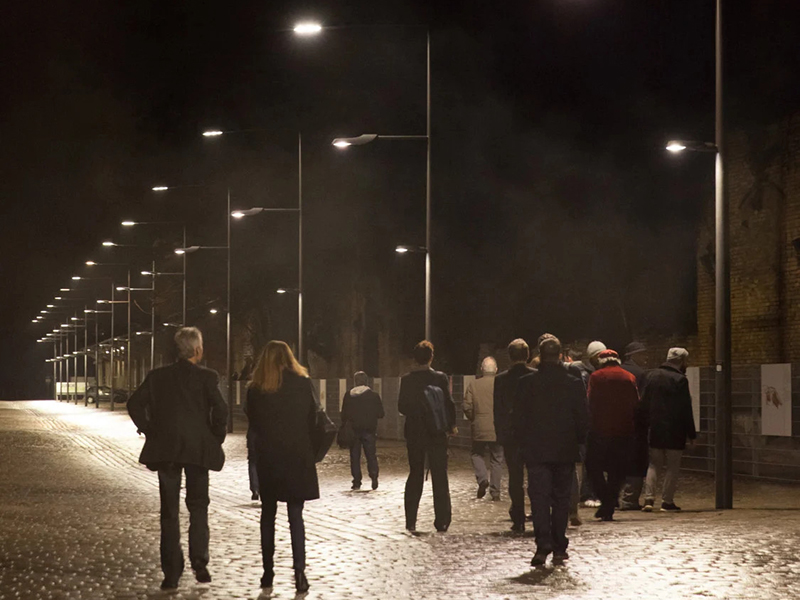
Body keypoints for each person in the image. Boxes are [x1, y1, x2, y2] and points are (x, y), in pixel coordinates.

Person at [127, 327, 228, 591]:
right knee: (198, 506)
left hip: (166, 450)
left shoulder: (158, 377)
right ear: (197, 350)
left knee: (169, 512)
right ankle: (200, 562)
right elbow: (221, 409)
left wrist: (150, 430)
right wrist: (214, 437)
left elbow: (135, 403)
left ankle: (171, 573)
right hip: (198, 451)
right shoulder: (207, 377)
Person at [246, 341, 318, 592]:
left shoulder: (256, 389)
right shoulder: (302, 383)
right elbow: (313, 417)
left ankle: (268, 573)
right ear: (289, 358)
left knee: (268, 515)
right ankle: (300, 573)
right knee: (296, 516)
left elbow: (253, 423)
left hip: (270, 458)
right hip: (298, 456)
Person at [514, 335, 588, 566]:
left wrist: (521, 445)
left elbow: (519, 419)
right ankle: (559, 545)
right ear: (560, 355)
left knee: (539, 498)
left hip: (536, 450)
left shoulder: (527, 383)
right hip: (564, 449)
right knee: (561, 499)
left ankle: (542, 544)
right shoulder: (573, 383)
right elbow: (582, 419)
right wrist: (580, 442)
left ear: (539, 354)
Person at [398, 340, 456, 533]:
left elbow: (402, 407)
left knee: (415, 474)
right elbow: (449, 403)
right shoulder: (440, 378)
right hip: (437, 432)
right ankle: (442, 520)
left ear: (415, 359)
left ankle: (411, 520)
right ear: (431, 357)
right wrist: (451, 426)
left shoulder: (407, 380)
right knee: (440, 476)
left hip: (415, 433)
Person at [584, 349, 639, 521]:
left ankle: (606, 501)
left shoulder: (596, 377)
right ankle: (610, 500)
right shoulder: (629, 377)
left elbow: (590, 401)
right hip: (624, 429)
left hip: (600, 429)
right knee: (618, 470)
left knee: (593, 468)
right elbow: (636, 403)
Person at [641, 347, 696, 512]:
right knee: (673, 466)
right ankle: (667, 501)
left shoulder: (651, 376)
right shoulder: (680, 380)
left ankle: (648, 499)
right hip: (675, 429)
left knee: (653, 464)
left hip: (655, 427)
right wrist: (691, 434)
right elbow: (686, 408)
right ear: (681, 361)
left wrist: (643, 425)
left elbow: (643, 403)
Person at [493, 338, 535, 533]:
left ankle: (518, 516)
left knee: (515, 477)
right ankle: (538, 512)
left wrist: (500, 433)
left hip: (511, 435)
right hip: (533, 434)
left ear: (510, 356)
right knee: (535, 475)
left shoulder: (501, 379)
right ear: (527, 355)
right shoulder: (536, 376)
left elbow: (498, 410)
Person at [464, 356, 503, 501]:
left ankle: (482, 479)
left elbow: (467, 406)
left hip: (479, 427)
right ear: (496, 370)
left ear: (482, 369)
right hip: (497, 427)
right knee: (497, 459)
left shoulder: (474, 385)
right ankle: (495, 491)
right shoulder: (501, 385)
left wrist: (474, 418)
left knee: (476, 454)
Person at [573, 341, 606, 509]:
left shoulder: (589, 373)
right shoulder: (587, 375)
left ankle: (589, 492)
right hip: (591, 424)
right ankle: (588, 492)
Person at [340, 371, 385, 490]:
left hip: (353, 431)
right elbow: (381, 413)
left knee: (354, 457)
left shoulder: (348, 395)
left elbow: (343, 415)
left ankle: (356, 481)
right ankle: (374, 476)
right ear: (366, 381)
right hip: (369, 430)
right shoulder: (374, 396)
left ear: (355, 381)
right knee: (371, 455)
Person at [619, 341, 650, 510]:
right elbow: (643, 401)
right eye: (642, 354)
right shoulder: (640, 373)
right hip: (635, 424)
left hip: (615, 423)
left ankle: (614, 496)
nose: (645, 357)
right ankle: (630, 499)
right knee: (637, 461)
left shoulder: (616, 371)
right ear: (634, 356)